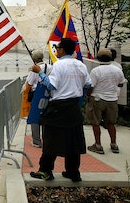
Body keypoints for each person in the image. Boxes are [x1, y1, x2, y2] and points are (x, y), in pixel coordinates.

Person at [29, 38, 91, 182]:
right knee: (73, 140)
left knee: (51, 138)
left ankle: (45, 170)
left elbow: (51, 85)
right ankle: (73, 172)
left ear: (62, 50)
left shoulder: (59, 65)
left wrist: (40, 72)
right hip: (74, 107)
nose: (56, 50)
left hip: (58, 107)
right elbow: (88, 85)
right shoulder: (81, 65)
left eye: (57, 48)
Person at [86, 48, 125, 154]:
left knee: (95, 123)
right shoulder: (117, 69)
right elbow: (121, 83)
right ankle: (114, 144)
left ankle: (98, 145)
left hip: (97, 99)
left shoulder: (96, 71)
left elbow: (91, 86)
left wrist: (88, 95)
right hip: (112, 99)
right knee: (111, 123)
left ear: (98, 58)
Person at [25, 50, 52, 148]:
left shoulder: (35, 68)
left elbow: (30, 82)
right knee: (46, 116)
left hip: (36, 94)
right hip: (48, 94)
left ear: (34, 59)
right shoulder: (50, 67)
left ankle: (36, 141)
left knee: (35, 117)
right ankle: (47, 139)